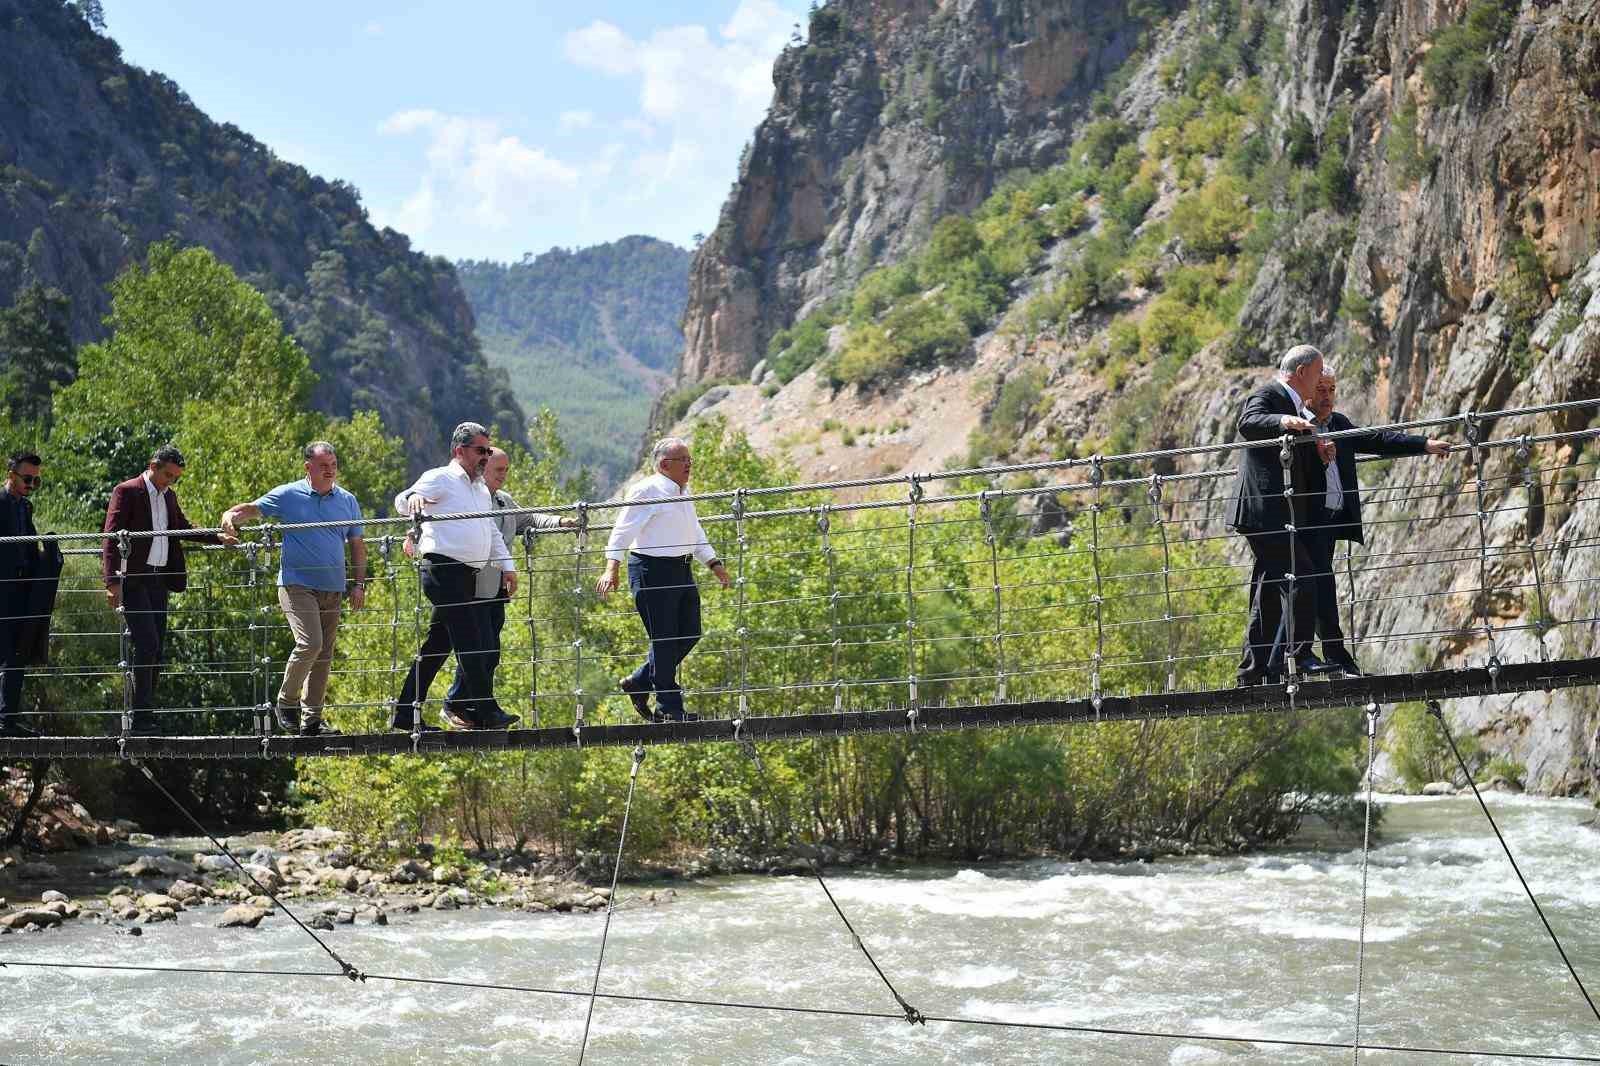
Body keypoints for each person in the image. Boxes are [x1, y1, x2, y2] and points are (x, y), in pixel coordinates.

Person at [1305, 370, 1451, 676]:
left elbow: (1376, 439)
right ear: (1306, 389)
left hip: (1329, 522)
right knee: (1318, 587)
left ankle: (1330, 658)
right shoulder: (1297, 425)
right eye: (1321, 389)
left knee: (1319, 586)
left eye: (1332, 389)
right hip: (1306, 522)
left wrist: (1423, 444)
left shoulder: (1339, 424)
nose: (1327, 396)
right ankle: (1329, 658)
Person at [220, 442, 368, 737]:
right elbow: (252, 509)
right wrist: (230, 516)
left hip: (333, 588)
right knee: (310, 643)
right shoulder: (288, 494)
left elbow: (357, 545)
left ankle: (312, 720)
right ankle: (286, 702)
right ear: (308, 468)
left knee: (324, 655)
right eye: (323, 465)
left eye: (334, 465)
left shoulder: (348, 501)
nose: (330, 471)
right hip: (296, 585)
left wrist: (359, 584)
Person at [390, 422, 518, 732]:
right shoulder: (441, 478)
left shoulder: (478, 489)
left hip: (465, 576)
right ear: (459, 451)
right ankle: (486, 711)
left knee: (436, 646)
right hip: (443, 571)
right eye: (480, 450)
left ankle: (406, 713)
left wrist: (508, 566)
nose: (485, 457)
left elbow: (489, 528)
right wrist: (414, 502)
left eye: (488, 450)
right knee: (473, 641)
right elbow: (403, 499)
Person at [1225, 345, 1339, 686]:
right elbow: (1248, 423)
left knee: (1268, 589)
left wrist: (1316, 446)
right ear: (1302, 372)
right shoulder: (1271, 395)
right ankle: (1300, 655)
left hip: (1270, 512)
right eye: (1318, 373)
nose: (1321, 381)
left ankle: (1253, 670)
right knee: (1301, 577)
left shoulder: (1295, 406)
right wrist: (1284, 421)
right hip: (1266, 511)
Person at [102, 445, 234, 735]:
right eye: (167, 475)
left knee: (156, 648)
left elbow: (182, 527)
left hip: (159, 580)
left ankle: (145, 716)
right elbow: (112, 537)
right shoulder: (127, 491)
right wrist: (112, 582)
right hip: (134, 580)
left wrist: (216, 537)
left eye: (175, 477)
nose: (170, 481)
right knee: (147, 643)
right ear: (153, 465)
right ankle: (139, 718)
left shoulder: (169, 496)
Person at [596, 437, 730, 722]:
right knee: (664, 638)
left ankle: (639, 681)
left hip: (682, 570)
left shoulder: (684, 491)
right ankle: (669, 707)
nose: (690, 465)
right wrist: (612, 568)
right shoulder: (646, 490)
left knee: (690, 632)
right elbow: (622, 531)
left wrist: (714, 563)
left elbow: (694, 532)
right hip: (652, 570)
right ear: (665, 464)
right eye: (684, 460)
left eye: (690, 459)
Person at [440, 447, 574, 711]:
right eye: (499, 470)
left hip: (496, 586)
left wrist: (561, 522)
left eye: (506, 470)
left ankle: (471, 707)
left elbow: (529, 518)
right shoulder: (466, 500)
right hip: (470, 585)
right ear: (483, 469)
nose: (504, 475)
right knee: (479, 648)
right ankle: (459, 704)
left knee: (490, 652)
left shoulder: (504, 501)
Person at [0, 452, 43, 737]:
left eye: (36, 481)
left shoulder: (24, 508)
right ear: (11, 474)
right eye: (27, 479)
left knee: (17, 653)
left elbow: (30, 545)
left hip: (20, 588)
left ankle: (8, 720)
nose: (30, 485)